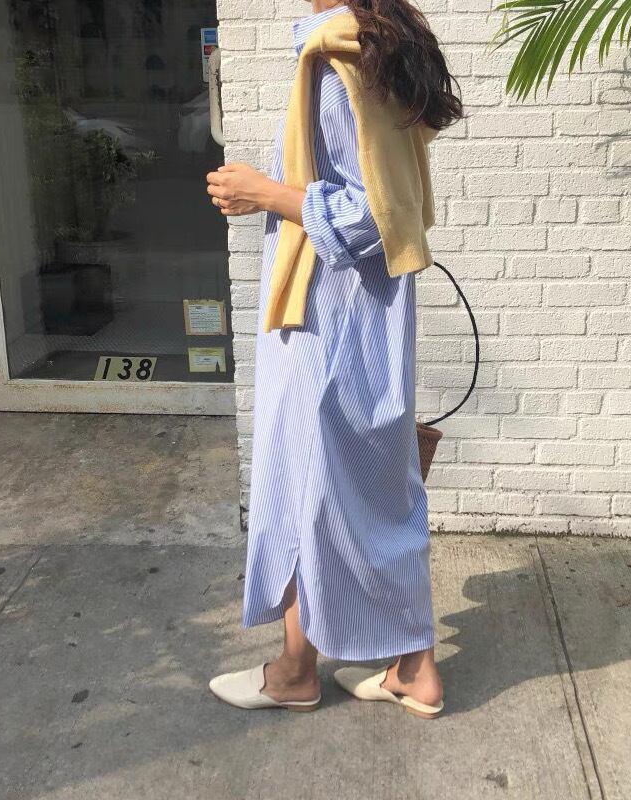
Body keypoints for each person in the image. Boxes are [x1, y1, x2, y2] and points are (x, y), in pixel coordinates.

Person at [205, 0, 463, 719]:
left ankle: (295, 673)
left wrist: (262, 192)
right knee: (376, 494)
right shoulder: (385, 43)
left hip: (328, 316)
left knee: (303, 489)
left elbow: (366, 216)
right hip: (369, 315)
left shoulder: (338, 56)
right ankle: (413, 669)